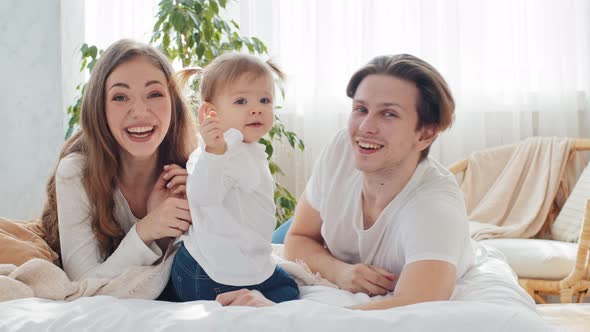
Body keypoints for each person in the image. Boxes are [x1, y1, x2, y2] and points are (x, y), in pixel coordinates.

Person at [218, 54, 475, 309]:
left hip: (346, 232)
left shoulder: (433, 208)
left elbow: (412, 306)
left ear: (426, 134)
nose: (365, 126)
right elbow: (297, 237)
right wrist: (341, 272)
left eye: (389, 114)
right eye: (361, 109)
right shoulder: (343, 147)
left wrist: (277, 316)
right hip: (325, 229)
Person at [40, 39, 197, 300]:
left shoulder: (192, 167)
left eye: (155, 94)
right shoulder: (76, 172)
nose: (139, 111)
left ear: (174, 104)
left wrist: (201, 205)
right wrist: (146, 230)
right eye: (120, 97)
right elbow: (84, 283)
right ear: (100, 108)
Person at [170, 53, 300, 303]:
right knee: (287, 291)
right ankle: (233, 301)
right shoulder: (216, 151)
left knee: (287, 288)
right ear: (210, 113)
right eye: (241, 101)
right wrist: (214, 155)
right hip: (210, 274)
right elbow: (203, 195)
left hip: (230, 267)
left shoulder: (244, 148)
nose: (256, 108)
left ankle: (240, 297)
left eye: (265, 100)